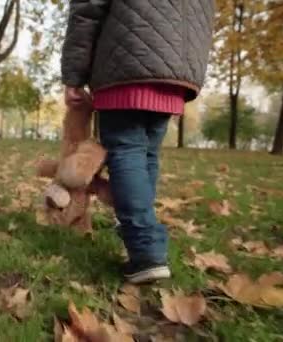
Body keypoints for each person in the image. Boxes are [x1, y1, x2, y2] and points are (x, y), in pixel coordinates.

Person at [61, 0, 215, 284]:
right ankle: (133, 222)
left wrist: (74, 75)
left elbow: (88, 10)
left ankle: (145, 249)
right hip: (177, 68)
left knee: (125, 149)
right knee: (147, 154)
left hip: (126, 60)